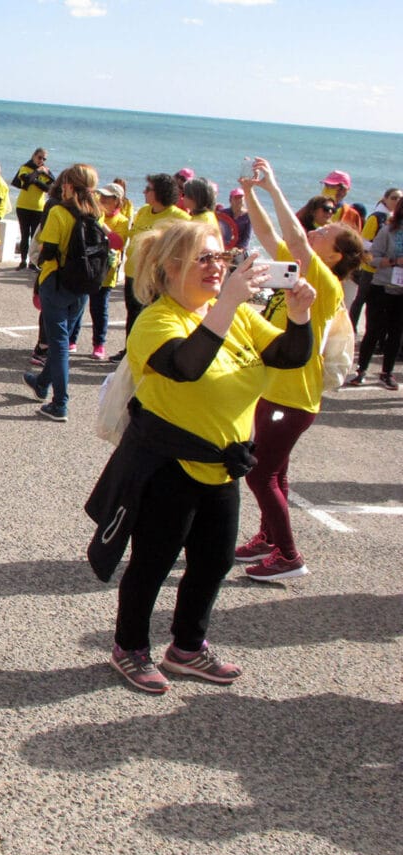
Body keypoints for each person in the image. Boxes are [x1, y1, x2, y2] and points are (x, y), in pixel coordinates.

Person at [86, 221, 317, 694]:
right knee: (152, 563)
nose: (218, 267)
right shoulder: (157, 320)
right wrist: (230, 301)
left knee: (213, 563)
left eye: (221, 256)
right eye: (204, 259)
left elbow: (290, 355)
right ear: (171, 267)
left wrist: (299, 315)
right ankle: (129, 647)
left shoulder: (236, 316)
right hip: (168, 464)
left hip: (223, 464)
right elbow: (186, 367)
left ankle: (187, 647)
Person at [232, 158, 362, 582]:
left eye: (324, 232)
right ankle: (270, 539)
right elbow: (271, 235)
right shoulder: (301, 268)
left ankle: (289, 555)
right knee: (277, 472)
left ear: (335, 255)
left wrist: (272, 186)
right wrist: (250, 193)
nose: (316, 229)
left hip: (292, 396)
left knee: (260, 473)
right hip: (278, 390)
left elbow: (291, 235)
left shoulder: (323, 281)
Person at [23, 163, 104, 421]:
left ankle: (60, 403)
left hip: (57, 281)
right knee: (64, 336)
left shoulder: (59, 212)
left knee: (58, 344)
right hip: (82, 284)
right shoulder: (96, 213)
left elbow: (47, 250)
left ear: (68, 185)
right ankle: (42, 383)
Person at [111, 173, 190, 362]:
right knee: (132, 314)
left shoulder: (179, 217)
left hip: (155, 278)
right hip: (132, 273)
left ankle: (148, 354)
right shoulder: (144, 211)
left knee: (150, 317)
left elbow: (184, 249)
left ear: (160, 193)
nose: (144, 192)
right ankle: (129, 351)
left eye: (148, 189)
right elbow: (132, 235)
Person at [350, 196, 403, 391]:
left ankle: (386, 373)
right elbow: (371, 258)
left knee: (396, 334)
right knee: (374, 331)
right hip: (382, 286)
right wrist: (395, 262)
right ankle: (361, 371)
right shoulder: (388, 230)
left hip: (401, 291)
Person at [88, 182, 129, 359]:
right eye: (101, 196)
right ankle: (71, 340)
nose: (102, 199)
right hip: (89, 267)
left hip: (106, 271)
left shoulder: (123, 221)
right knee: (81, 304)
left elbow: (117, 242)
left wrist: (101, 224)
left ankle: (99, 344)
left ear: (117, 201)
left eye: (107, 197)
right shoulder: (96, 213)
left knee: (100, 308)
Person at [12, 148, 52, 270]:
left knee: (35, 236)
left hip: (38, 207)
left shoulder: (46, 171)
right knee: (25, 234)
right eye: (39, 157)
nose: (41, 160)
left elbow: (50, 188)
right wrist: (37, 173)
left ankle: (32, 262)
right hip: (23, 206)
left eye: (44, 159)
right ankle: (23, 260)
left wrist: (37, 180)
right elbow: (26, 180)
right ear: (33, 156)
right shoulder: (25, 167)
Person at [218, 187, 252, 251]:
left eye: (241, 197)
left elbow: (246, 237)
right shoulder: (224, 213)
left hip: (239, 249)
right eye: (236, 197)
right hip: (224, 247)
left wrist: (240, 249)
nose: (239, 200)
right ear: (230, 200)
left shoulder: (248, 216)